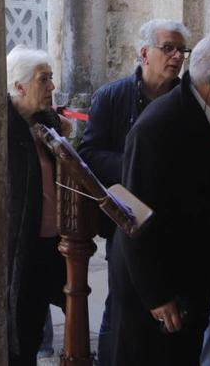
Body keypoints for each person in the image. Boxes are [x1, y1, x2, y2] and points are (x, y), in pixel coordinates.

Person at [107, 32, 210, 366]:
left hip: (199, 271)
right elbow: (133, 216)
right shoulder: (159, 126)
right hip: (158, 278)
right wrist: (157, 294)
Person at [79, 18, 190, 358]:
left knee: (172, 302)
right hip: (127, 217)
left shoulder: (187, 101)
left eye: (181, 50)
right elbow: (89, 153)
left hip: (174, 221)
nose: (176, 57)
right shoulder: (112, 97)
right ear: (144, 53)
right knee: (122, 299)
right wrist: (136, 165)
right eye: (167, 48)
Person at [5, 47, 69, 366]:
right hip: (19, 248)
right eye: (44, 79)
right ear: (18, 86)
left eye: (51, 78)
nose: (52, 87)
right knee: (20, 334)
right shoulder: (1, 128)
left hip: (54, 243)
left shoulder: (48, 122)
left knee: (68, 306)